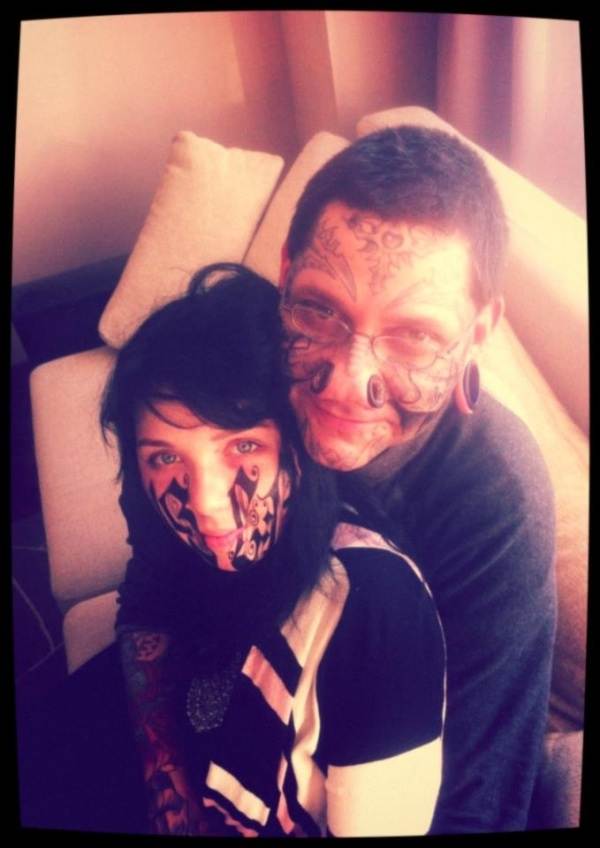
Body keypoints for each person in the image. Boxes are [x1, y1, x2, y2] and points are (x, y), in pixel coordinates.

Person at [18, 263, 446, 837]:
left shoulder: (378, 611)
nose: (205, 504)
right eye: (166, 456)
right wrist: (167, 786)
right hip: (166, 727)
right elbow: (145, 600)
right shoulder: (154, 498)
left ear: (301, 445)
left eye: (243, 446)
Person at [276, 125, 557, 833]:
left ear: (477, 336)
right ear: (283, 276)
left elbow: (479, 799)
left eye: (417, 335)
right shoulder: (248, 373)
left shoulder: (498, 497)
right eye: (320, 309)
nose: (349, 382)